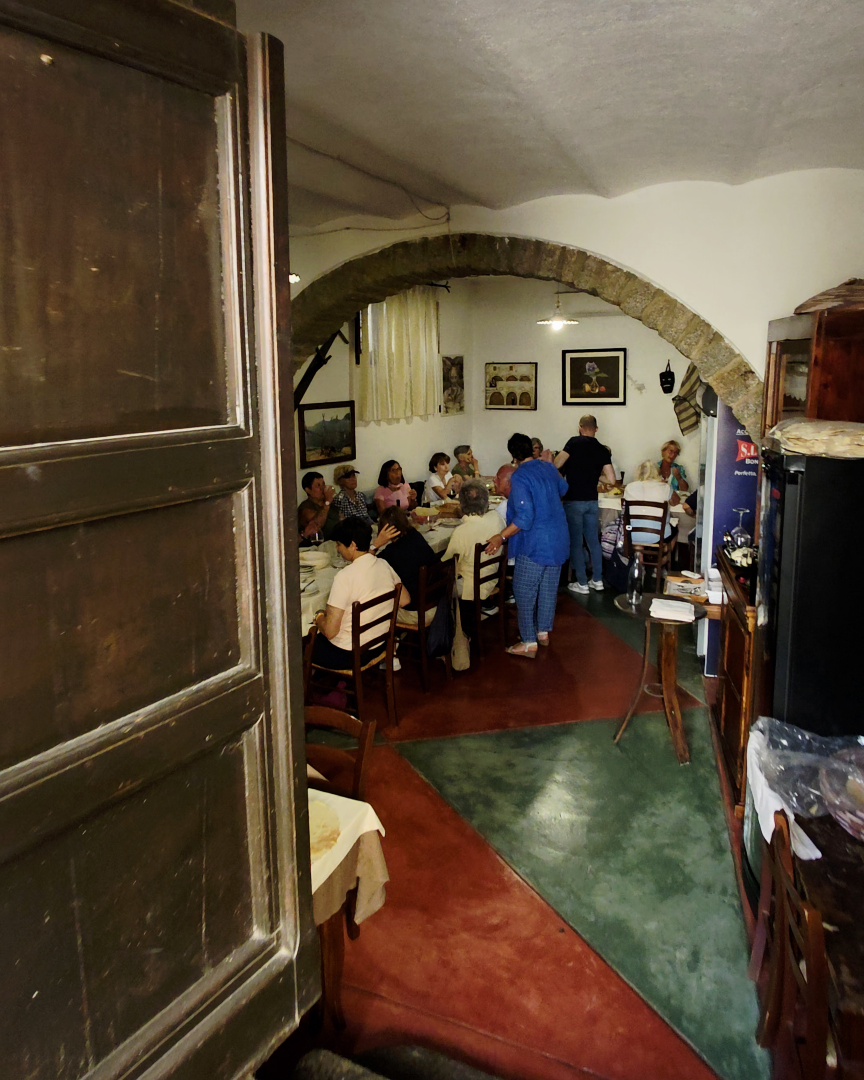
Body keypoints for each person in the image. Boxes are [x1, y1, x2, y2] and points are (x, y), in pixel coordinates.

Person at [486, 433, 569, 658]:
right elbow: (564, 490)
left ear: (513, 455)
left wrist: (500, 537)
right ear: (532, 450)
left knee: (523, 589)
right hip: (558, 537)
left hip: (536, 543)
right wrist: (551, 467)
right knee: (548, 589)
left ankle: (528, 642)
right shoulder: (548, 468)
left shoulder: (520, 476)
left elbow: (524, 517)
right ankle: (543, 633)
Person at [310, 517, 410, 669]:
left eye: (339, 544)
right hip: (379, 644)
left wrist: (319, 617)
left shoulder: (344, 576)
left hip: (350, 654)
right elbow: (405, 600)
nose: (338, 549)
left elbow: (330, 631)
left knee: (303, 643)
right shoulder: (383, 564)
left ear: (352, 546)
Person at [554, 415, 618, 594]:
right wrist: (597, 475)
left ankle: (582, 583)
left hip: (574, 500)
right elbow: (612, 480)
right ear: (596, 429)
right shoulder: (602, 449)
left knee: (576, 542)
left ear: (580, 427)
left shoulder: (573, 443)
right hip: (592, 501)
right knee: (593, 542)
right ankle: (597, 580)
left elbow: (557, 464)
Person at [441, 481, 503, 635]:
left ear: (461, 503)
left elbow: (447, 564)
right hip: (491, 577)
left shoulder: (461, 532)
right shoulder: (496, 517)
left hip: (471, 585)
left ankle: (451, 630)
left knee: (436, 583)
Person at [375, 506, 439, 626]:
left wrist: (376, 545)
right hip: (436, 603)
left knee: (375, 610)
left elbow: (367, 563)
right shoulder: (415, 535)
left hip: (417, 612)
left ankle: (390, 637)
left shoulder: (390, 553)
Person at [623, 461, 675, 545]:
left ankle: (638, 551)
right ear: (657, 473)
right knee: (676, 529)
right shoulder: (665, 487)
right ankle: (664, 552)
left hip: (631, 534)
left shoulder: (629, 487)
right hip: (658, 536)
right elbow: (676, 502)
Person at [298, 471, 339, 543]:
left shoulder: (330, 503)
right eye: (318, 486)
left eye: (323, 484)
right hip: (319, 544)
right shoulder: (305, 508)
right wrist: (327, 502)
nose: (323, 488)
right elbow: (317, 525)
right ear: (308, 490)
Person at [493, 463, 516, 530]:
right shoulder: (507, 503)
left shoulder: (507, 506)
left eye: (498, 478)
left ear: (508, 483)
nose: (494, 480)